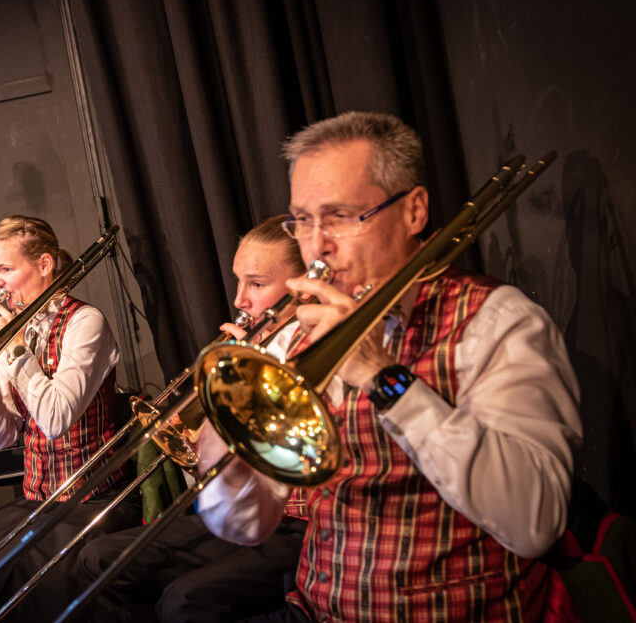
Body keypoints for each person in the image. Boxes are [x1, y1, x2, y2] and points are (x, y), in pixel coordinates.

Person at [197, 111, 583, 622]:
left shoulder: (497, 323)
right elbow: (247, 526)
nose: (317, 245)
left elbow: (535, 521)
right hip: (316, 608)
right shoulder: (300, 338)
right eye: (303, 221)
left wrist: (384, 377)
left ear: (414, 211)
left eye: (338, 217)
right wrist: (227, 439)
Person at [73, 214, 311, 622]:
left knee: (186, 601)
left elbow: (289, 463)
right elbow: (217, 482)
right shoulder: (255, 347)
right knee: (99, 561)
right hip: (244, 514)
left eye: (256, 284)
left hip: (300, 524)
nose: (239, 300)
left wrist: (250, 377)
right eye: (238, 281)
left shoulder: (318, 349)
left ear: (304, 287)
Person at [0, 215, 140, 621]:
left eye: (5, 269)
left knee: (2, 585)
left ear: (45, 264)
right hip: (37, 498)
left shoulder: (85, 323)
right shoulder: (16, 331)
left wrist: (15, 355)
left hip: (93, 498)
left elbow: (56, 419)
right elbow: (0, 438)